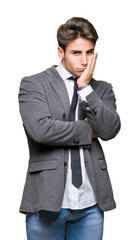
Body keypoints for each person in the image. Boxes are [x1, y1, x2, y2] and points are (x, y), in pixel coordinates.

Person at [18, 17, 121, 240]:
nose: (84, 60)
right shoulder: (34, 84)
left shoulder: (102, 89)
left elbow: (110, 129)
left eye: (90, 52)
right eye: (76, 53)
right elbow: (41, 130)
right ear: (60, 51)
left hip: (91, 203)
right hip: (46, 199)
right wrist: (89, 131)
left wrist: (85, 88)